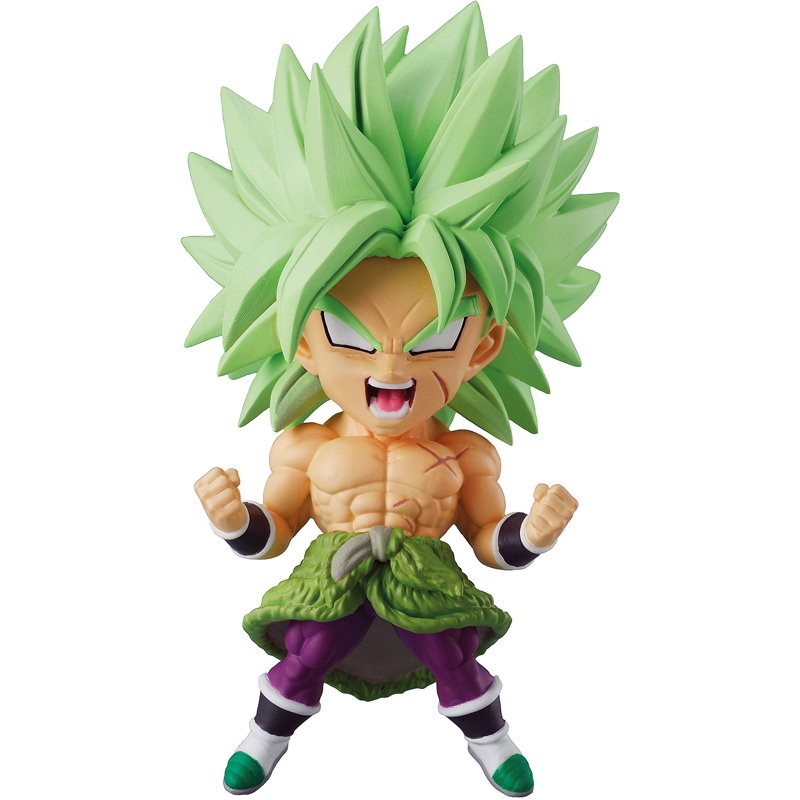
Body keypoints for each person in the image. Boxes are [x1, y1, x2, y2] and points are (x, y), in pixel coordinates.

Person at [184, 5, 617, 796]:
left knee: (452, 653)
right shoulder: (308, 447)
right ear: (300, 341)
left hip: (426, 579)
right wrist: (233, 520)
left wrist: (532, 535)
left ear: (485, 344)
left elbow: (487, 540)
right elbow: (274, 530)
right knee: (310, 647)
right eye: (349, 334)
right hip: (332, 573)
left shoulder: (462, 456)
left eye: (434, 334)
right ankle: (264, 738)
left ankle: (492, 744)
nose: (390, 364)